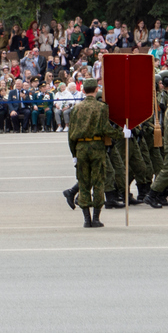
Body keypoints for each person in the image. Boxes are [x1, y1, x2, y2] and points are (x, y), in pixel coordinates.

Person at [66, 77, 116, 228]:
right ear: (96, 90)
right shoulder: (102, 107)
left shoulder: (76, 109)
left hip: (81, 148)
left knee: (84, 182)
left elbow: (70, 135)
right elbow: (107, 129)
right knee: (98, 182)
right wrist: (121, 133)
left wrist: (74, 154)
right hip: (96, 147)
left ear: (82, 90)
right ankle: (96, 218)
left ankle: (86, 219)